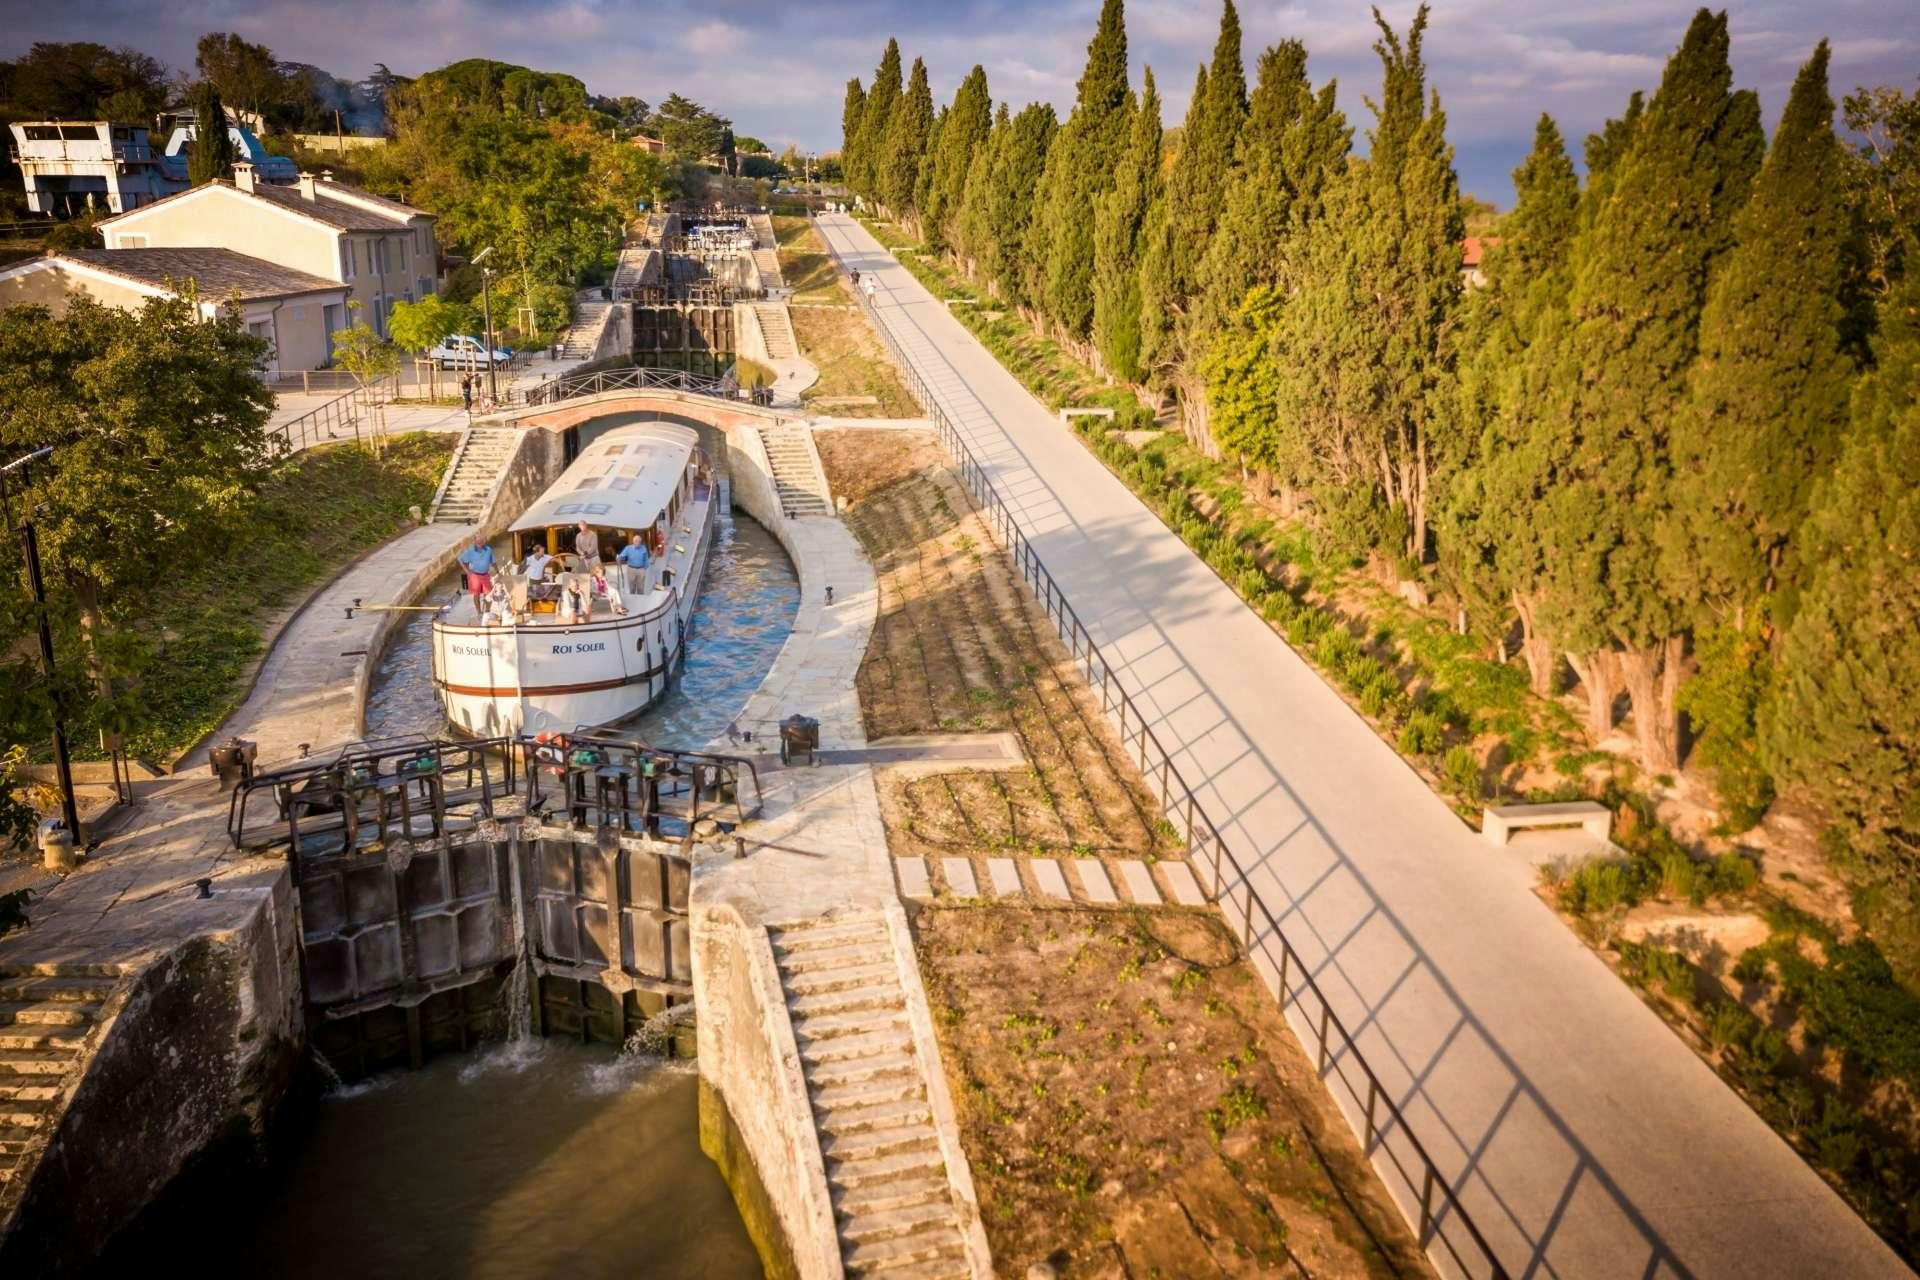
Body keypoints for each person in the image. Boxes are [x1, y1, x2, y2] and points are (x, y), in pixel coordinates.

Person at [456, 534, 495, 616]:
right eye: (478, 541)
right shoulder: (471, 551)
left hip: (485, 575)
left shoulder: (488, 549)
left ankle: (487, 611)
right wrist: (467, 571)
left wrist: (498, 571)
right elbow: (461, 559)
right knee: (476, 594)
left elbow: (493, 561)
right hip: (475, 575)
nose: (479, 542)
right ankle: (479, 612)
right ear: (475, 542)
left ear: (484, 541)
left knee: (489, 594)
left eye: (481, 540)